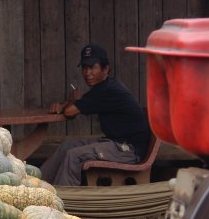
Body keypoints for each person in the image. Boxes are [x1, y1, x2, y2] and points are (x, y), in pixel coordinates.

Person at [39, 44, 151, 186]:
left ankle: (65, 200)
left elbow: (69, 112)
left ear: (106, 69)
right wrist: (69, 102)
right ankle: (38, 185)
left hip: (128, 149)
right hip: (114, 143)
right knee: (67, 146)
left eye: (93, 67)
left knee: (74, 156)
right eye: (85, 67)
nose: (87, 72)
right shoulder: (102, 88)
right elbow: (73, 109)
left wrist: (69, 102)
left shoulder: (107, 90)